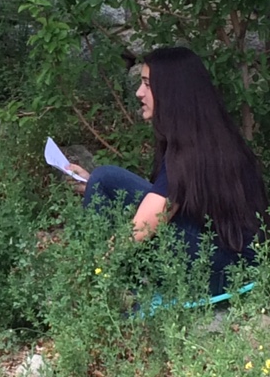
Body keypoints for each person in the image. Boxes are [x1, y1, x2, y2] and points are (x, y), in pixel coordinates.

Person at [67, 47, 270, 295]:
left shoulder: (191, 149)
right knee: (103, 182)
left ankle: (99, 290)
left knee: (105, 177)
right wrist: (96, 187)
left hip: (226, 272)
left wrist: (97, 264)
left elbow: (147, 223)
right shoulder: (206, 136)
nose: (139, 92)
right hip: (234, 266)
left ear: (171, 92)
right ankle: (110, 287)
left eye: (147, 84)